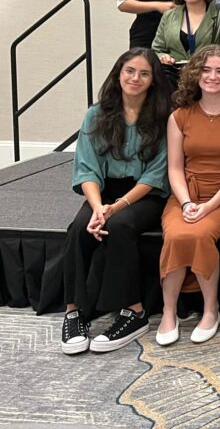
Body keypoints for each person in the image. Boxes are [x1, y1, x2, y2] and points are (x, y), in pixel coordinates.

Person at [60, 49, 172, 355]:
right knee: (80, 227)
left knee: (120, 225)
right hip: (102, 192)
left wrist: (115, 208)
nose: (135, 79)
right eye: (129, 71)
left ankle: (133, 312)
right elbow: (86, 168)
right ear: (118, 74)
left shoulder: (164, 116)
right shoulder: (96, 114)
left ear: (153, 80)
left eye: (144, 73)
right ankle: (74, 312)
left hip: (144, 194)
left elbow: (156, 174)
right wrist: (98, 208)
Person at [156, 46, 220, 346]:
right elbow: (175, 168)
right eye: (206, 70)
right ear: (195, 74)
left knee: (199, 235)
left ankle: (211, 310)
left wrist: (209, 206)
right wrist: (187, 202)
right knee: (175, 235)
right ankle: (168, 312)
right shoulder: (179, 116)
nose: (213, 76)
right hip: (186, 194)